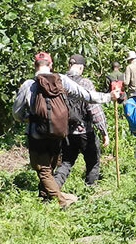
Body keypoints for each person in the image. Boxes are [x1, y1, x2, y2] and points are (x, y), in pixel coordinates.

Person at [12, 52, 119, 208]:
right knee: (52, 166)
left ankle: (61, 201)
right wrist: (109, 96)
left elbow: (17, 113)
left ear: (35, 66)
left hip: (37, 134)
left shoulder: (28, 85)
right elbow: (87, 96)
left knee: (44, 170)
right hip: (58, 132)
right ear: (51, 65)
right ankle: (45, 198)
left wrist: (27, 118)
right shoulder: (61, 80)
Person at [53, 54, 109, 188]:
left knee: (66, 162)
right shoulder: (85, 83)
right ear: (80, 67)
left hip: (65, 131)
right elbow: (94, 109)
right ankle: (90, 190)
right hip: (85, 130)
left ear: (69, 65)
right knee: (93, 162)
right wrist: (103, 131)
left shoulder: (59, 82)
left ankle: (53, 189)